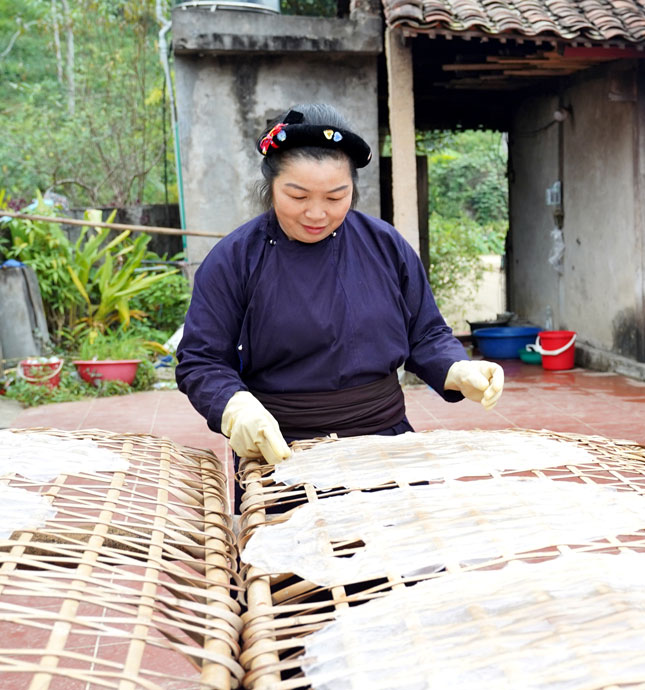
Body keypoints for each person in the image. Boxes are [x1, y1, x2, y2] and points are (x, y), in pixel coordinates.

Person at [176, 103, 505, 472]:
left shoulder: (385, 245)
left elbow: (425, 333)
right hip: (280, 452)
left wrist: (457, 368)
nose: (317, 214)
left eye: (335, 197)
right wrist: (234, 407)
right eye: (297, 196)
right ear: (270, 186)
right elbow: (201, 360)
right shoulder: (234, 259)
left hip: (384, 445)